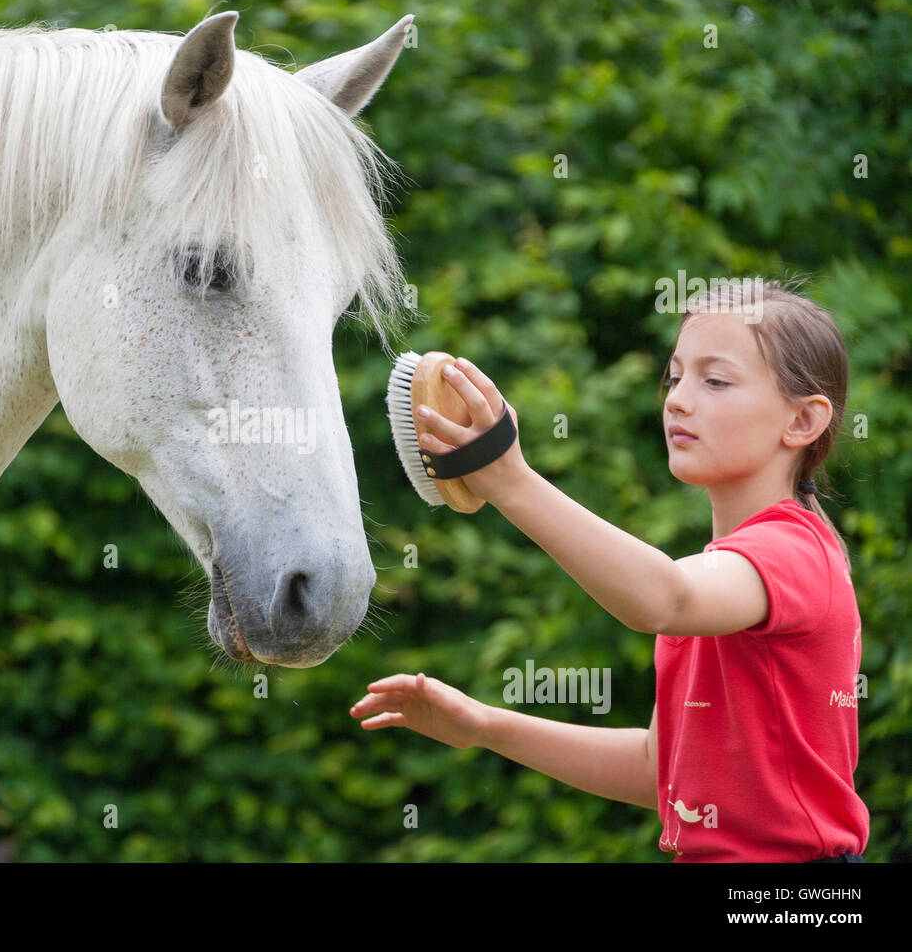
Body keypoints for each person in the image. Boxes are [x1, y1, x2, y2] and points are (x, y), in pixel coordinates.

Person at [351, 279, 869, 862]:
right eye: (675, 377)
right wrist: (483, 726)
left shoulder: (792, 551)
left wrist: (510, 481)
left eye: (715, 380)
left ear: (803, 421)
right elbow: (660, 770)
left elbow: (661, 600)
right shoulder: (717, 578)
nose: (676, 399)